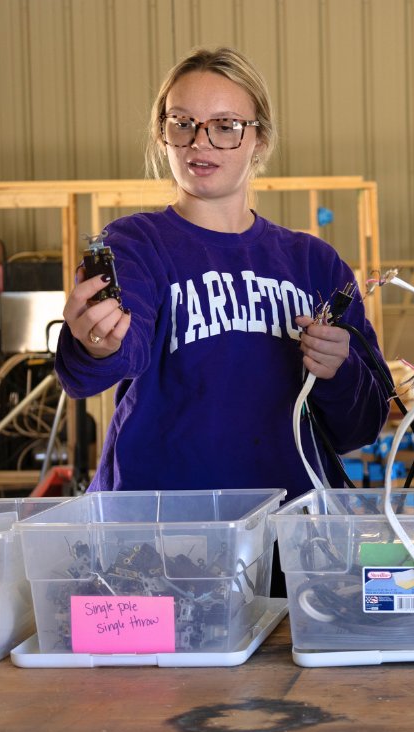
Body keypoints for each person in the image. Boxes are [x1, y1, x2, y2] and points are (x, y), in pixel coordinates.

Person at [55, 47, 390, 508]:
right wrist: (98, 343)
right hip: (157, 532)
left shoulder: (314, 263)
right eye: (182, 123)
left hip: (288, 533)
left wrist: (339, 370)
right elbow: (98, 367)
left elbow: (362, 426)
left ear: (261, 139)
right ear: (162, 134)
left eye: (226, 126)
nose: (200, 142)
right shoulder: (135, 243)